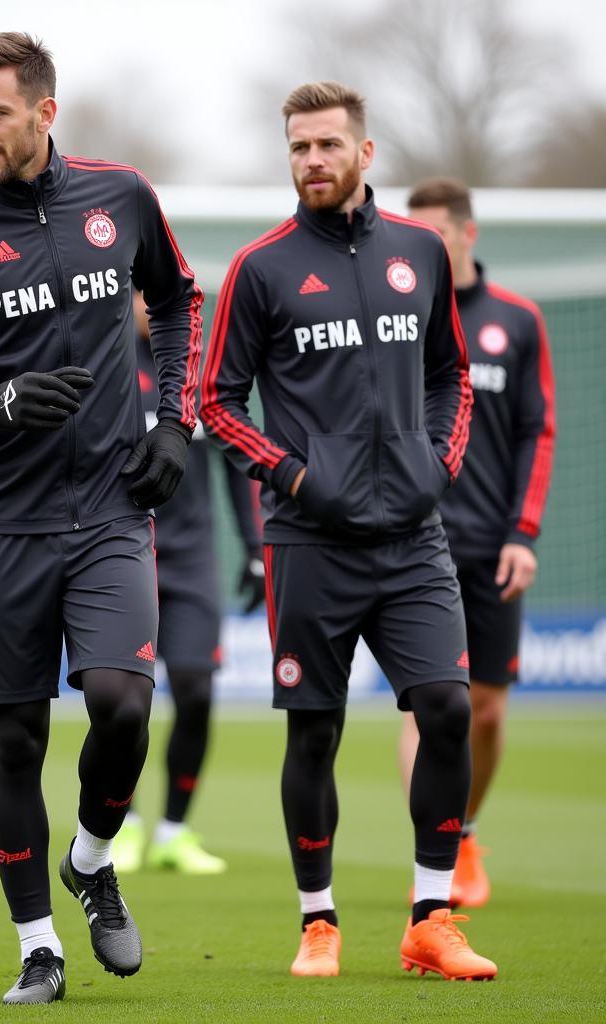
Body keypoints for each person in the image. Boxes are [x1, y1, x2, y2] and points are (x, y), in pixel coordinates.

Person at [0, 33, 202, 1005]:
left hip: (109, 505)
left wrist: (174, 422)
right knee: (13, 742)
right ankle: (37, 948)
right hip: (2, 519)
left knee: (122, 703)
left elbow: (177, 299)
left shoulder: (119, 196)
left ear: (44, 112)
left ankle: (93, 858)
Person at [201, 81, 497, 981]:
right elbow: (216, 400)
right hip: (308, 542)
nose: (313, 161)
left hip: (412, 540)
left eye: (328, 145)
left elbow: (452, 375)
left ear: (366, 153)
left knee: (447, 710)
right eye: (299, 148)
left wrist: (438, 463)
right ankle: (318, 922)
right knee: (313, 733)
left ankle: (430, 916)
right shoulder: (263, 267)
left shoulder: (420, 252)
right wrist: (292, 475)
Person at [398, 178, 555, 907]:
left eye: (438, 234)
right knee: (427, 704)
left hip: (493, 545)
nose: (426, 247)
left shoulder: (516, 321)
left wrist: (524, 532)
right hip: (411, 542)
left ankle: (464, 830)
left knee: (485, 710)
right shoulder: (398, 318)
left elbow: (537, 432)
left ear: (468, 234)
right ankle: (435, 852)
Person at [113, 290, 262, 876]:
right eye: (141, 294)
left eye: (161, 295)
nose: (150, 306)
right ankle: (120, 824)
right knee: (126, 703)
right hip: (124, 552)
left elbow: (236, 463)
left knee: (196, 692)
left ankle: (174, 830)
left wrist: (254, 551)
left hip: (193, 559)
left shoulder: (197, 372)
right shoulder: (108, 361)